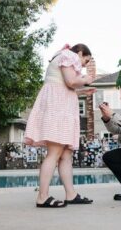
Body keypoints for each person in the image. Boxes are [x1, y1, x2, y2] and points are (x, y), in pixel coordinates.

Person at [24, 44, 96, 208]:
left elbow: (62, 86)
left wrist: (83, 92)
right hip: (58, 111)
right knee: (54, 153)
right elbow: (71, 81)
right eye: (86, 60)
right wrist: (86, 79)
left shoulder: (63, 57)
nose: (84, 65)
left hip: (59, 109)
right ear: (79, 53)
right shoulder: (68, 56)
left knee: (65, 154)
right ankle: (42, 197)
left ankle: (70, 195)